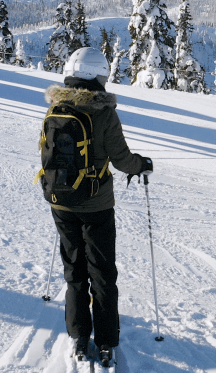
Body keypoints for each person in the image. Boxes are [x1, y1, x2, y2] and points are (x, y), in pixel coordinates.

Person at [41, 47, 152, 363]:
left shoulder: (56, 108)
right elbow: (121, 160)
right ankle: (105, 342)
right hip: (96, 205)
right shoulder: (104, 113)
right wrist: (141, 165)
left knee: (74, 271)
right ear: (97, 76)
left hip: (60, 202)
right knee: (102, 273)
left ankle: (78, 337)